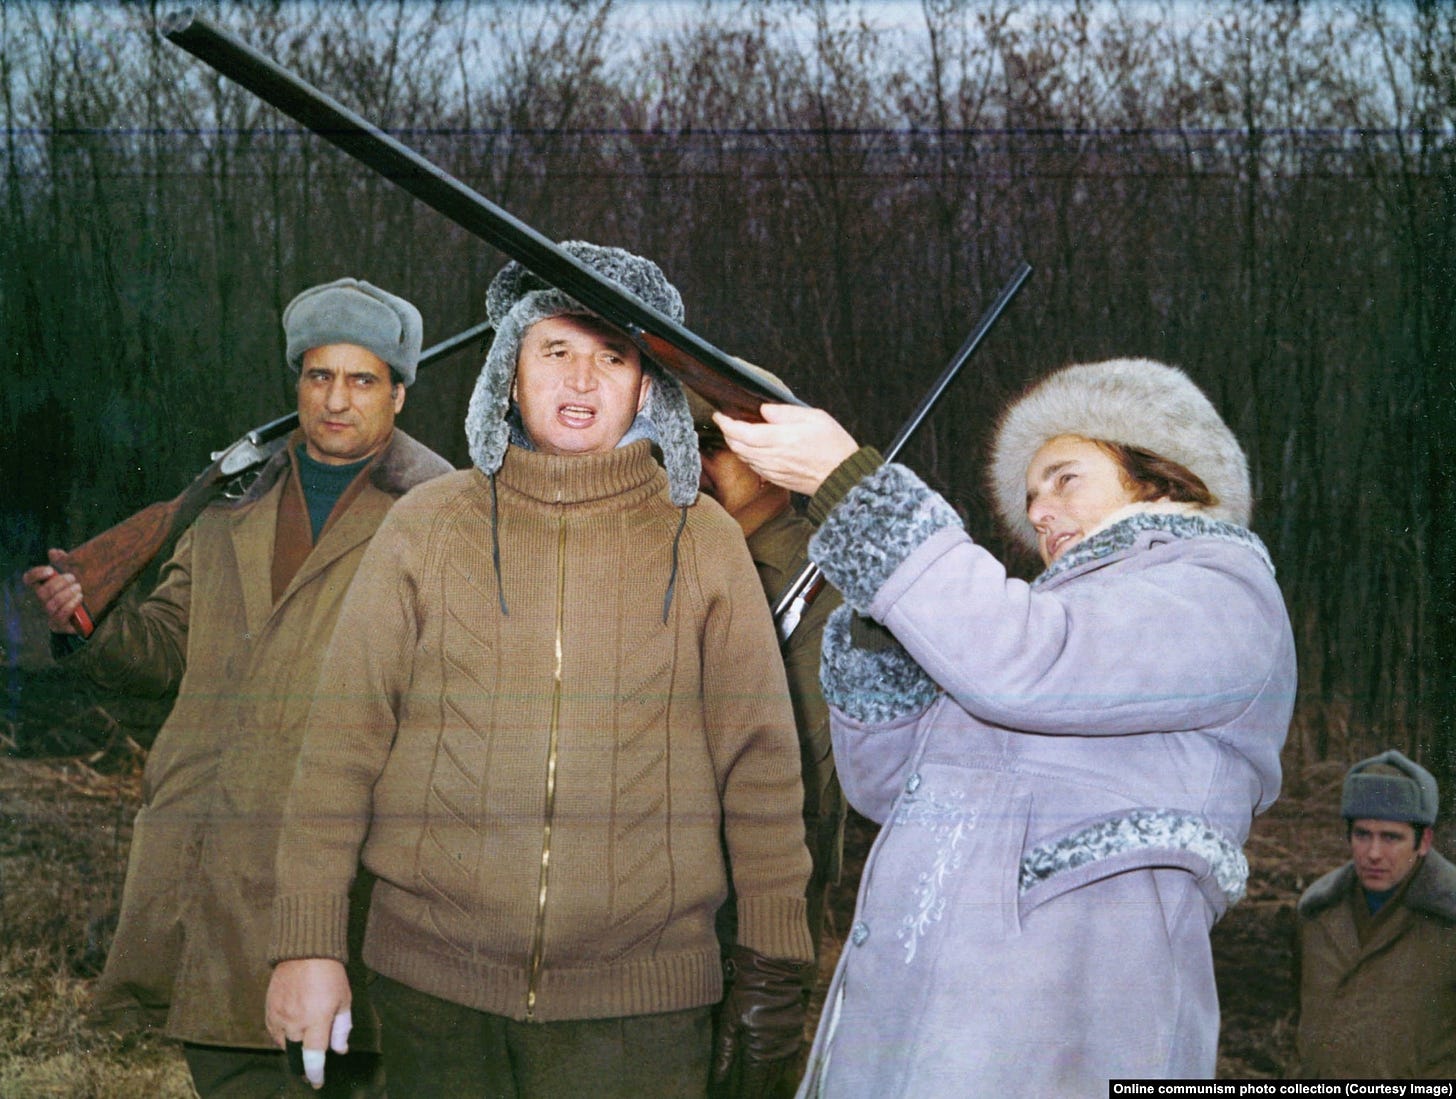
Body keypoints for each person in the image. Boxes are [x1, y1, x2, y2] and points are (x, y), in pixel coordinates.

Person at [263, 242, 815, 1099]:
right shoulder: (425, 526)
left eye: (612, 356)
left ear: (647, 386)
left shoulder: (702, 541)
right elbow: (338, 748)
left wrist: (774, 973)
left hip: (643, 1013)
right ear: (509, 375)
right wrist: (307, 942)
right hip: (434, 995)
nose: (583, 381)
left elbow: (764, 776)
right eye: (554, 350)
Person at [714, 357, 1297, 1096]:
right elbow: (887, 785)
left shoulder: (1219, 589)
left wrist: (853, 490)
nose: (1040, 510)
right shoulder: (1043, 623)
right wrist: (882, 629)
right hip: (917, 1026)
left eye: (1065, 477)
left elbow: (1023, 659)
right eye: (1030, 495)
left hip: (1058, 1040)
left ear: (1160, 472)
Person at [21, 278, 453, 1097]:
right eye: (318, 375)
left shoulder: (438, 517)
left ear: (398, 393)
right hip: (207, 865)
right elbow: (165, 650)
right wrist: (87, 622)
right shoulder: (227, 506)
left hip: (341, 887)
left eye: (362, 380)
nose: (335, 399)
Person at [689, 381, 845, 962]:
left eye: (714, 443)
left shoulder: (829, 579)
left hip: (759, 895)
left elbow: (799, 758)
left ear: (775, 463)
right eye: (682, 443)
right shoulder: (663, 552)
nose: (695, 464)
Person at [1294, 749, 1456, 1077]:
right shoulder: (1317, 913)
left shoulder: (1447, 920)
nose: (1374, 853)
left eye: (1391, 837)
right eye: (1362, 834)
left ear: (1423, 841)